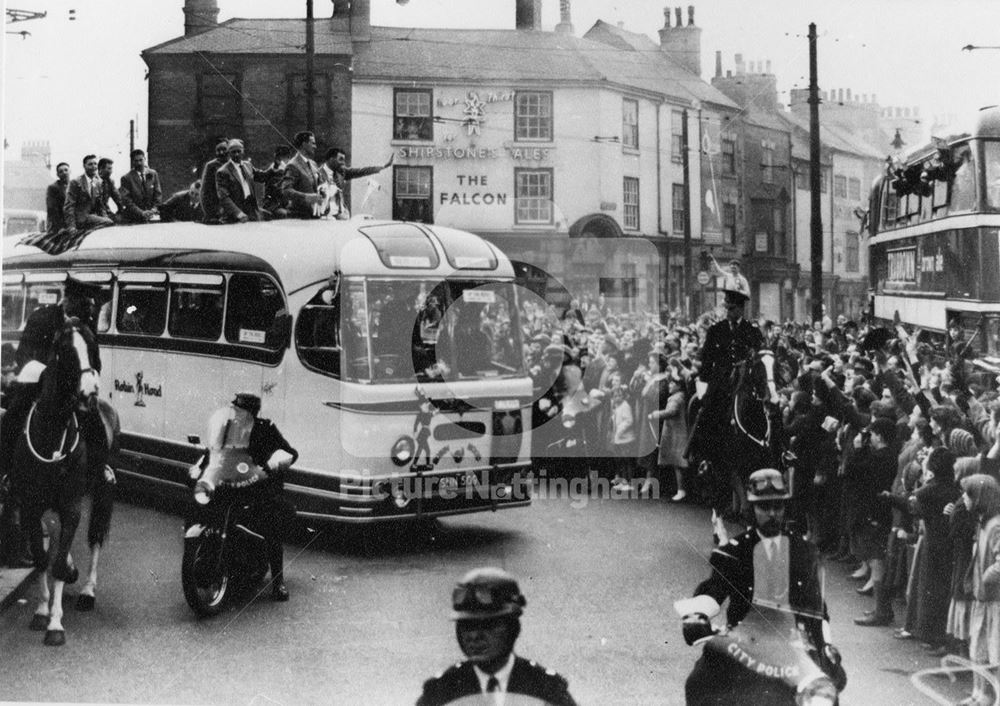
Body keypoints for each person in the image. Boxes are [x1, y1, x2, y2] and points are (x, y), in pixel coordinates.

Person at [677, 468, 846, 704]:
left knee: (825, 697)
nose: (772, 513)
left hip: (793, 648)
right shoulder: (734, 551)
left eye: (777, 506)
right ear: (752, 508)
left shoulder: (804, 551)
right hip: (743, 646)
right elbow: (713, 589)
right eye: (764, 507)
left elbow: (818, 609)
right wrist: (698, 615)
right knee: (698, 684)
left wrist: (826, 646)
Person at [416, 567, 577, 706]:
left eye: (487, 624)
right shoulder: (440, 692)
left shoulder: (546, 689)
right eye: (466, 626)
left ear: (513, 628)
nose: (474, 636)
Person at [200, 392, 300, 600]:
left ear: (252, 413)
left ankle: (278, 583)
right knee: (203, 503)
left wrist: (276, 462)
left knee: (271, 523)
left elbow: (291, 452)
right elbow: (212, 451)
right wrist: (199, 467)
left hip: (259, 486)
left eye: (242, 411)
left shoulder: (265, 428)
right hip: (229, 484)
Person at [321, 146, 393, 218]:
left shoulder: (342, 172)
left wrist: (383, 167)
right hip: (325, 217)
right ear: (331, 159)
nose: (343, 163)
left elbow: (361, 171)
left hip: (342, 215)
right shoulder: (318, 174)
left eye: (344, 160)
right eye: (340, 159)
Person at [216, 139, 271, 223]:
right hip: (235, 213)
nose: (236, 154)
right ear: (229, 154)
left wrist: (275, 168)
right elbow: (223, 197)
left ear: (243, 152)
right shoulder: (223, 171)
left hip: (251, 209)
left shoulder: (247, 165)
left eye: (239, 151)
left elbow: (261, 176)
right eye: (233, 152)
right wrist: (238, 213)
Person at [63, 154, 114, 234]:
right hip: (80, 218)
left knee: (110, 222)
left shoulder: (98, 182)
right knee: (109, 223)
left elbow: (100, 205)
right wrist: (71, 227)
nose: (93, 167)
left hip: (92, 217)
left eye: (95, 164)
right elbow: (69, 206)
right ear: (84, 166)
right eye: (90, 164)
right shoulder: (76, 182)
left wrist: (105, 217)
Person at [281, 131, 325, 218]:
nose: (315, 147)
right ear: (304, 144)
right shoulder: (292, 165)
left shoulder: (313, 164)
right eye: (313, 143)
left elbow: (319, 186)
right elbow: (286, 190)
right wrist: (306, 197)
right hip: (298, 217)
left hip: (314, 215)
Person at [119, 148, 162, 223]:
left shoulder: (153, 174)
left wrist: (154, 209)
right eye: (136, 161)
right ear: (132, 162)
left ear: (144, 159)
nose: (139, 163)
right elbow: (127, 200)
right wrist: (141, 213)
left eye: (141, 160)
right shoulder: (126, 178)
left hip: (152, 214)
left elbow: (158, 194)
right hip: (135, 216)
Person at [199, 139, 229, 224]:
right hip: (215, 207)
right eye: (219, 150)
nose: (221, 153)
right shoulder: (210, 166)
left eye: (224, 149)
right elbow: (204, 190)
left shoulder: (232, 165)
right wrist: (209, 213)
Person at [263, 144, 293, 218]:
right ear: (278, 159)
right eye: (287, 158)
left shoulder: (282, 170)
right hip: (274, 205)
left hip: (282, 204)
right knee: (289, 213)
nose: (289, 161)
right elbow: (280, 191)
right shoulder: (276, 171)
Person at [45, 161, 71, 234]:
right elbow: (52, 209)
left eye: (66, 170)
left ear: (70, 171)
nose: (64, 173)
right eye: (61, 171)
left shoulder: (75, 186)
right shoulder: (53, 188)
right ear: (58, 175)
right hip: (58, 225)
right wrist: (59, 227)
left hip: (72, 223)